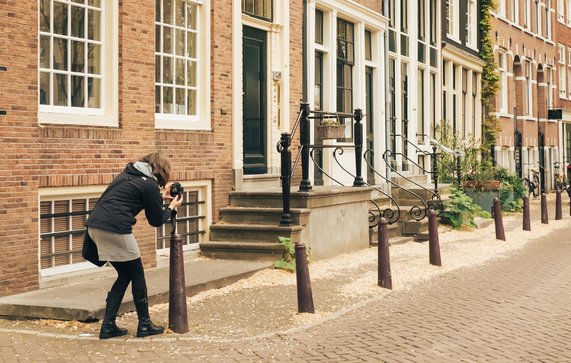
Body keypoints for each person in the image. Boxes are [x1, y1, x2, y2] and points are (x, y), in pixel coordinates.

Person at [85, 153, 183, 339]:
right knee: (137, 273)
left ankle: (108, 326)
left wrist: (160, 198)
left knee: (124, 274)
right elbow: (156, 221)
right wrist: (171, 208)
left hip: (95, 227)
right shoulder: (149, 184)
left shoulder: (127, 175)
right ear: (161, 170)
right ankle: (144, 324)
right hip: (115, 229)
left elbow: (128, 199)